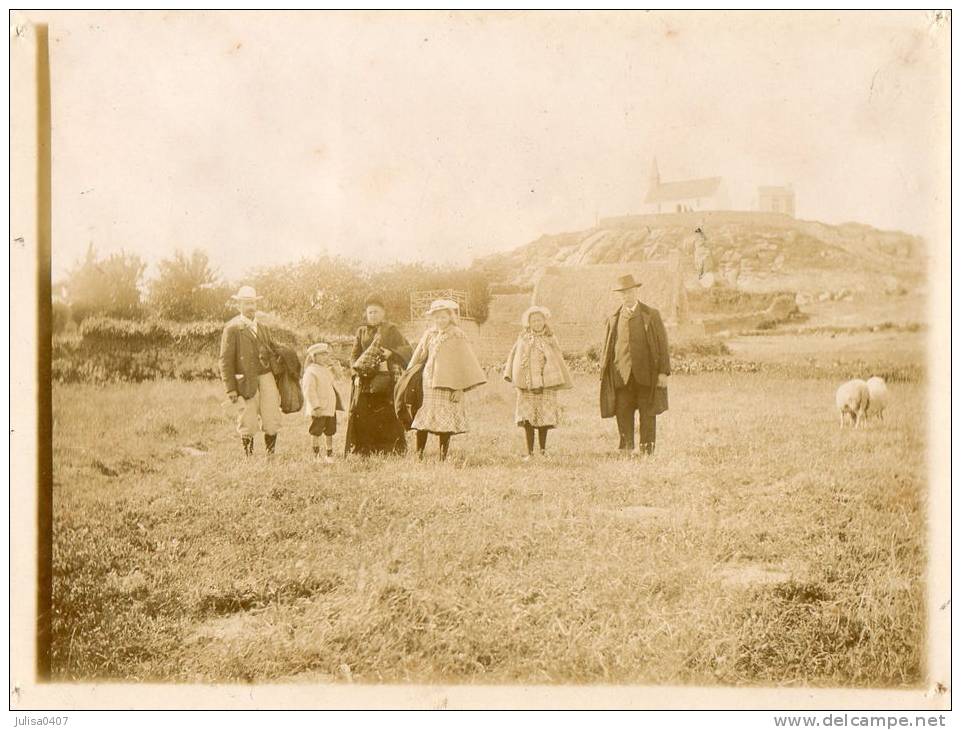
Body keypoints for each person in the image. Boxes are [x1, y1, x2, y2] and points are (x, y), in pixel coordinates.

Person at [599, 274, 671, 455]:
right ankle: (626, 449)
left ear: (636, 291)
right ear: (619, 295)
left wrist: (663, 372)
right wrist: (605, 372)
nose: (626, 295)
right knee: (623, 413)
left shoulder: (651, 314)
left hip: (646, 375)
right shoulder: (613, 318)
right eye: (622, 293)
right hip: (621, 376)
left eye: (629, 291)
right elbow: (607, 347)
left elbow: (662, 344)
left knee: (648, 414)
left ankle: (647, 450)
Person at [407, 299, 487, 461]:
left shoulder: (457, 335)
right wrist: (408, 375)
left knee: (445, 422)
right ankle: (419, 454)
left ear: (450, 317)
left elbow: (465, 363)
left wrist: (460, 388)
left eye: (443, 317)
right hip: (428, 383)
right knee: (424, 419)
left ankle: (443, 456)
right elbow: (419, 355)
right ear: (432, 319)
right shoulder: (429, 334)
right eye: (436, 317)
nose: (440, 320)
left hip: (449, 385)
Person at [344, 294, 413, 456]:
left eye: (376, 312)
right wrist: (355, 374)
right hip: (365, 380)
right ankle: (365, 449)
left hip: (386, 379)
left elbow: (407, 349)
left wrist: (391, 352)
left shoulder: (391, 329)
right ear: (366, 314)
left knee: (386, 413)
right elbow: (354, 356)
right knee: (363, 413)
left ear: (383, 313)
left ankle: (390, 449)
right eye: (370, 312)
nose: (373, 315)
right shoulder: (361, 332)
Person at [219, 285, 282, 456]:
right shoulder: (232, 329)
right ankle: (249, 458)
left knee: (271, 416)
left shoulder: (263, 328)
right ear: (239, 305)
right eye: (246, 303)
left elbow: (273, 351)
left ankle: (271, 456)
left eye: (253, 303)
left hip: (266, 377)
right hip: (245, 380)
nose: (250, 307)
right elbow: (225, 360)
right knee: (248, 419)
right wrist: (230, 388)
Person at [502, 305, 573, 459]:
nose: (537, 323)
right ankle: (530, 452)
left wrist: (553, 377)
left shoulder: (551, 339)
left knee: (543, 419)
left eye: (539, 320)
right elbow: (514, 357)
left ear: (544, 321)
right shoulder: (523, 338)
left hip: (546, 385)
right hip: (527, 385)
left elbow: (557, 358)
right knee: (527, 419)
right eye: (533, 320)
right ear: (529, 323)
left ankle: (542, 450)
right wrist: (514, 376)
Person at [301, 342, 344, 463]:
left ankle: (329, 454)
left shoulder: (326, 370)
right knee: (316, 431)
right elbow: (309, 390)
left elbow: (338, 379)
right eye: (322, 355)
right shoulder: (311, 372)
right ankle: (316, 454)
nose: (325, 357)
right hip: (319, 408)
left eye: (326, 355)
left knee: (330, 431)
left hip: (329, 407)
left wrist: (335, 368)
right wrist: (315, 406)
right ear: (314, 357)